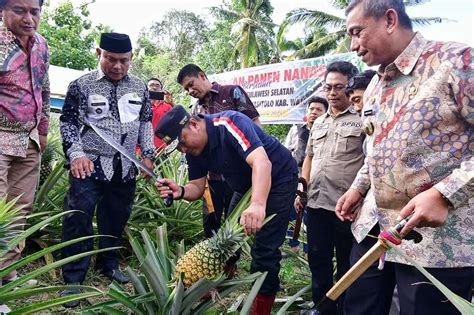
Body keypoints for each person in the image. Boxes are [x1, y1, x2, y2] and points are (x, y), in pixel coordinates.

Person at [336, 1, 474, 314]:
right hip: (373, 229)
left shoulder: (456, 61)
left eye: (357, 33)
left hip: (438, 243)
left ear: (389, 19)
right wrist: (359, 187)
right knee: (358, 307)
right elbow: (377, 148)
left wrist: (445, 193)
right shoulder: (373, 86)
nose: (353, 45)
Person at [155, 105, 298, 315]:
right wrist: (182, 190)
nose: (183, 150)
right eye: (178, 148)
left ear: (194, 124)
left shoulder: (229, 123)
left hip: (278, 178)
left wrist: (258, 205)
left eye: (182, 143)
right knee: (227, 238)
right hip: (245, 185)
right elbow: (196, 187)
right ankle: (219, 281)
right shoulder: (194, 150)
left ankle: (260, 307)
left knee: (265, 250)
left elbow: (261, 162)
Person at [59, 32, 155, 307]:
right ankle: (74, 279)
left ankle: (108, 265)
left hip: (125, 167)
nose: (117, 66)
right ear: (99, 53)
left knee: (116, 217)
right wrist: (76, 154)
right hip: (88, 165)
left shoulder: (139, 87)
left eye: (123, 61)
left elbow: (146, 123)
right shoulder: (81, 85)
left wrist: (147, 155)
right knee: (78, 218)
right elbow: (67, 123)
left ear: (131, 59)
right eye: (111, 59)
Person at [295, 61, 364, 314]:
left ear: (350, 87)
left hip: (346, 208)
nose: (333, 93)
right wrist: (302, 189)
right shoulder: (319, 122)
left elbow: (369, 161)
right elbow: (309, 158)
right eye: (328, 87)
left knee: (347, 262)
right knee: (318, 260)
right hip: (316, 204)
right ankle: (322, 308)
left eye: (339, 87)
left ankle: (345, 308)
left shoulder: (361, 120)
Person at [177, 63, 260, 244]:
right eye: (186, 89)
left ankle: (232, 264)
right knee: (210, 221)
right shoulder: (195, 111)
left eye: (191, 84)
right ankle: (213, 261)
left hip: (238, 174)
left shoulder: (232, 92)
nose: (190, 91)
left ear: (202, 75)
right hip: (212, 177)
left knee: (234, 222)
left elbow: (255, 126)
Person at [0, 0, 49, 284]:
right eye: (20, 10)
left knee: (19, 209)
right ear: (3, 10)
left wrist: (42, 130)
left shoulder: (41, 44)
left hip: (29, 140)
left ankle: (6, 272)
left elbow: (44, 85)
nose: (29, 18)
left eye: (35, 11)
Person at [284, 97, 328, 254]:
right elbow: (286, 151)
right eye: (312, 109)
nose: (314, 112)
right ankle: (293, 246)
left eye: (319, 110)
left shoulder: (327, 130)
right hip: (295, 179)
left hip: (316, 181)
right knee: (292, 214)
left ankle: (308, 249)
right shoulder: (296, 129)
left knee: (310, 216)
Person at [147, 77, 174, 152]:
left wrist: (171, 103)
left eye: (157, 85)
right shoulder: (140, 104)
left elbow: (179, 118)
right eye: (151, 85)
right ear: (146, 88)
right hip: (140, 149)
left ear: (161, 90)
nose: (154, 87)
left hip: (161, 149)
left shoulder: (167, 106)